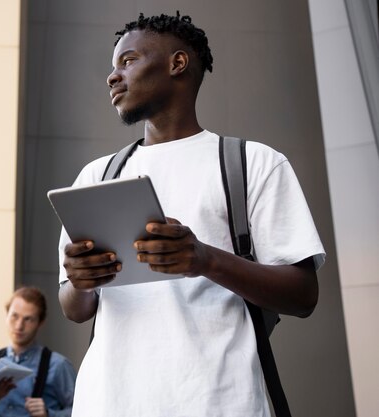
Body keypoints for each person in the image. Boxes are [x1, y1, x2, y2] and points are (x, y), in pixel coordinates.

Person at [57, 12, 326, 417]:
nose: (113, 77)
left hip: (220, 402)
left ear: (177, 64)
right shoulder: (96, 176)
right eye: (113, 67)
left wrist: (206, 259)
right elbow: (75, 309)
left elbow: (304, 295)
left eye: (127, 61)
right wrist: (80, 281)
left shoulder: (251, 163)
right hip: (107, 402)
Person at [0, 287, 76, 417]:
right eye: (14, 316)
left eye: (28, 319)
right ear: (6, 315)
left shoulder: (58, 365)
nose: (19, 326)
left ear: (40, 322)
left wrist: (49, 414)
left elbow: (83, 409)